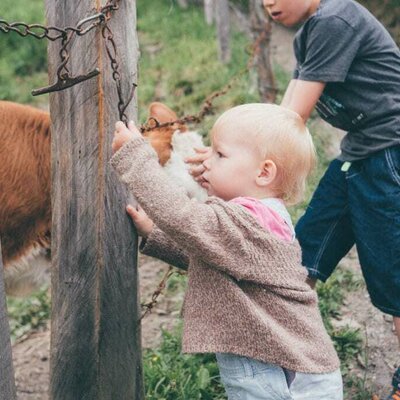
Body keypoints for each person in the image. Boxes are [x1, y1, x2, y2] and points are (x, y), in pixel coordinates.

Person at [189, 1, 400, 398]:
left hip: (389, 154)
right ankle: (287, 356)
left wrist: (234, 163)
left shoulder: (335, 19)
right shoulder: (309, 33)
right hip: (358, 153)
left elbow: (288, 122)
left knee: (395, 277)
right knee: (297, 256)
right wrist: (230, 157)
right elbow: (278, 122)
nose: (268, 2)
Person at [110, 103, 342, 400]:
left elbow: (184, 218)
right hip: (290, 362)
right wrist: (154, 233)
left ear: (264, 172)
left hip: (278, 370)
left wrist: (136, 158)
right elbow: (216, 257)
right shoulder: (265, 216)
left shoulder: (248, 221)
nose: (207, 162)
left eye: (220, 155)